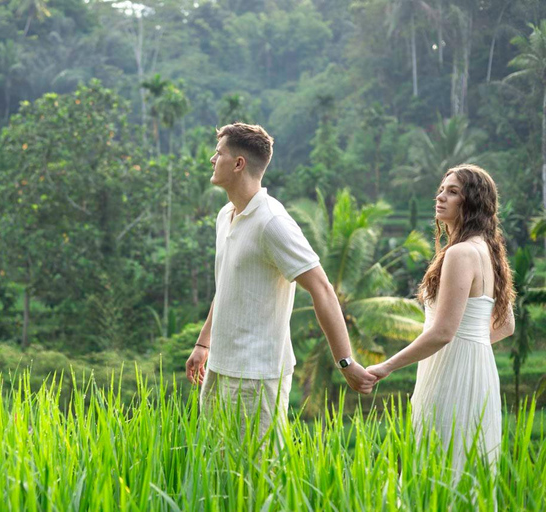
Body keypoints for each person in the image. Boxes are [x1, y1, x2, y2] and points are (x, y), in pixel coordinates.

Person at [185, 122, 376, 440]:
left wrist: (346, 362)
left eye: (218, 153)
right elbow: (229, 286)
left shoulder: (272, 222)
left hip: (257, 374)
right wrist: (204, 343)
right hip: (219, 367)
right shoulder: (226, 215)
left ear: (238, 164)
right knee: (216, 473)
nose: (211, 159)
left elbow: (322, 289)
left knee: (257, 474)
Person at [367, 164, 515, 477]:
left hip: (452, 372)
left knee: (442, 470)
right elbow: (505, 325)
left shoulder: (461, 253)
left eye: (453, 192)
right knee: (467, 470)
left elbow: (443, 332)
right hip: (478, 369)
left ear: (472, 201)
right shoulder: (488, 250)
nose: (440, 197)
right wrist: (469, 346)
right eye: (441, 189)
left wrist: (385, 366)